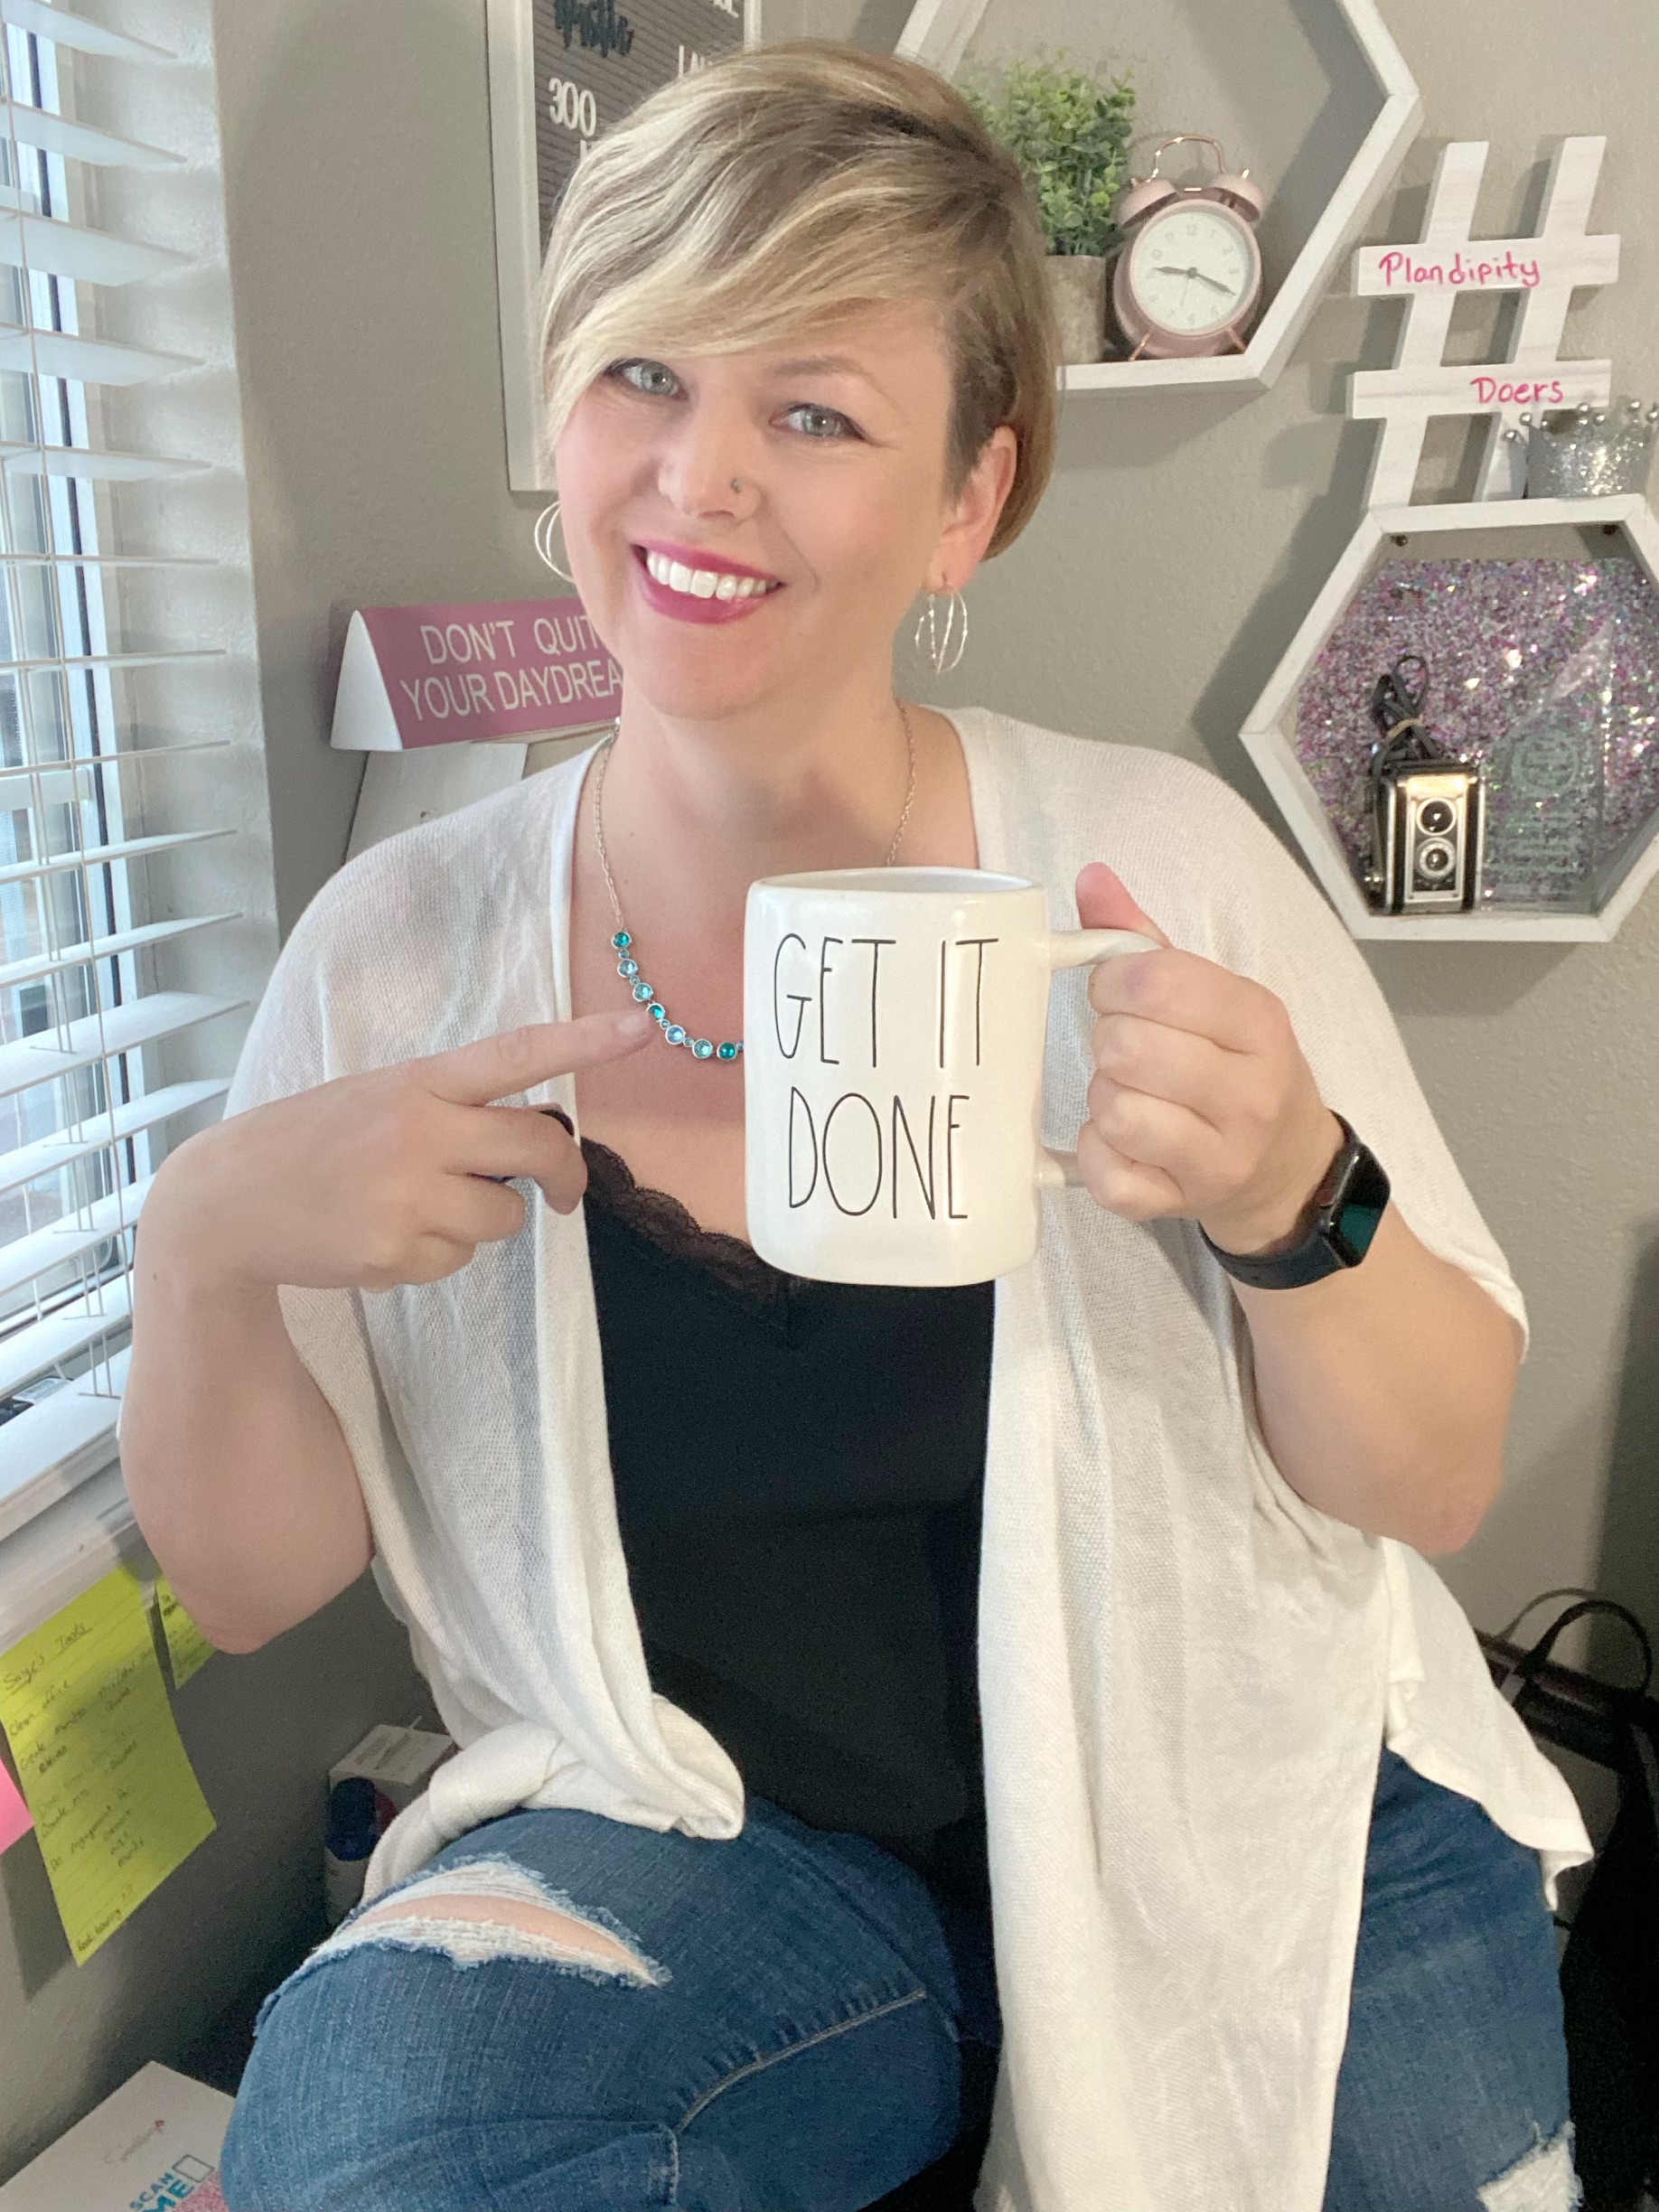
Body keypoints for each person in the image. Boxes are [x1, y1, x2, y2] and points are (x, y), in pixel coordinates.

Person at [123, 40, 1592, 2212]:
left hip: (1261, 1786)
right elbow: (256, 1589)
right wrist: (208, 1243)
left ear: (969, 498)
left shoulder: (1147, 867)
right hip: (745, 1859)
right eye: (644, 375)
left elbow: (1435, 1470)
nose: (700, 477)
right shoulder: (403, 947)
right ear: (554, 411)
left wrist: (1301, 1200)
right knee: (371, 2133)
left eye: (814, 412)